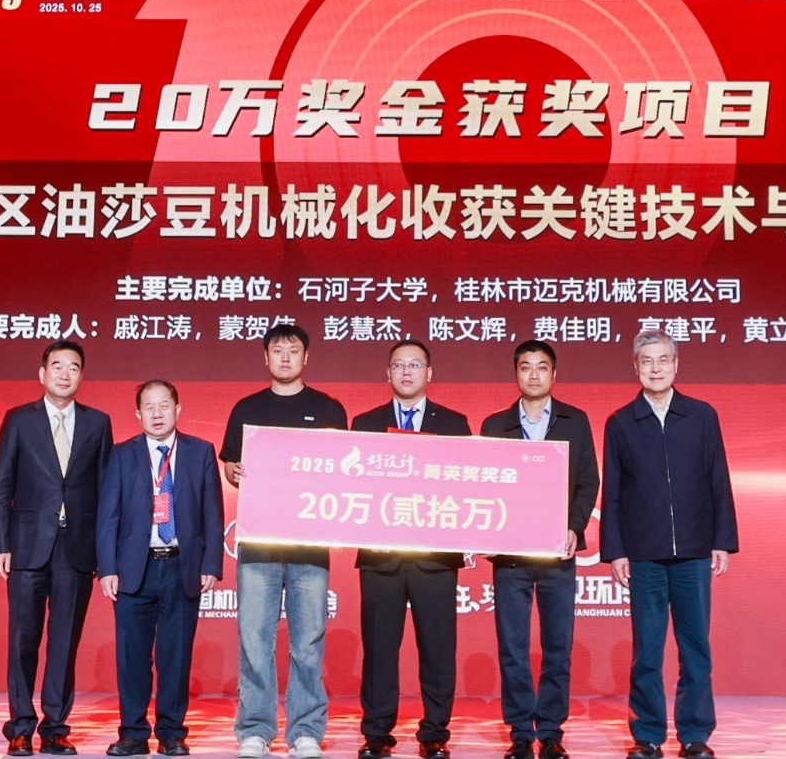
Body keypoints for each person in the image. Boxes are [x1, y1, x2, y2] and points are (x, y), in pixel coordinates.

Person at [600, 330, 739, 759]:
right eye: (647, 361)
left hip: (694, 552)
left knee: (695, 648)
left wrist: (722, 541)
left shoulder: (701, 416)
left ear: (676, 365)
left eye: (663, 360)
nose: (655, 368)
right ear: (635, 368)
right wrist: (616, 550)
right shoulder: (621, 422)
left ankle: (695, 735)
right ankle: (647, 736)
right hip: (644, 555)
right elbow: (614, 492)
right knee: (647, 650)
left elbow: (718, 480)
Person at [221, 324, 349, 759]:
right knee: (254, 638)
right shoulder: (247, 408)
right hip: (259, 542)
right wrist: (235, 472)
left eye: (293, 350)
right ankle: (255, 730)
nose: (285, 357)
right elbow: (231, 466)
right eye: (277, 351)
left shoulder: (328, 409)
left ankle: (306, 730)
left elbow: (342, 468)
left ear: (305, 357)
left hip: (309, 544)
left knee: (308, 639)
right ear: (266, 358)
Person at [0, 340, 113, 757]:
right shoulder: (19, 419)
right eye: (57, 366)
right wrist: (0, 543)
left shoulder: (98, 423)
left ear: (82, 376)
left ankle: (55, 728)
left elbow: (105, 492)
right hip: (26, 546)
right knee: (23, 640)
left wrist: (104, 554)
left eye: (73, 367)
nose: (64, 373)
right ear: (42, 374)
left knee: (64, 644)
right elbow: (0, 484)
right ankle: (21, 727)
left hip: (76, 548)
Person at [349, 340, 471, 759]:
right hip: (381, 556)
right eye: (399, 365)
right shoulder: (365, 424)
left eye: (415, 365)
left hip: (434, 557)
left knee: (437, 649)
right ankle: (377, 733)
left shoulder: (454, 424)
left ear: (429, 373)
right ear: (388, 373)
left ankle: (434, 733)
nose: (406, 372)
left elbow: (467, 484)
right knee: (379, 649)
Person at [478, 340, 599, 759]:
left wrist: (574, 527)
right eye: (526, 367)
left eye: (542, 367)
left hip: (557, 553)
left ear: (554, 374)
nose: (534, 375)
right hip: (510, 556)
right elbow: (483, 484)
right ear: (516, 373)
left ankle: (549, 731)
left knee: (557, 647)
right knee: (513, 647)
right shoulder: (495, 425)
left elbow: (588, 482)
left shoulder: (575, 421)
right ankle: (518, 732)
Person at [97, 380, 225, 757]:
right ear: (138, 415)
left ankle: (172, 733)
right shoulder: (121, 454)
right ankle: (133, 733)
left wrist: (211, 564)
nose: (157, 413)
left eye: (164, 405)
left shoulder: (201, 452)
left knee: (176, 655)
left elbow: (213, 514)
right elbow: (108, 515)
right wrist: (107, 567)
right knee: (132, 657)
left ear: (177, 410)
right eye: (149, 407)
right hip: (133, 570)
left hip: (181, 567)